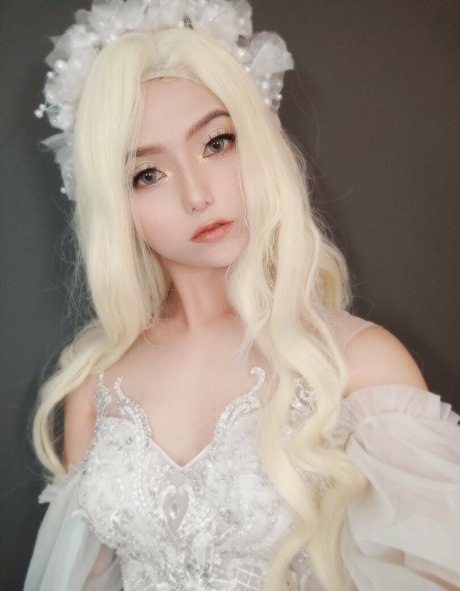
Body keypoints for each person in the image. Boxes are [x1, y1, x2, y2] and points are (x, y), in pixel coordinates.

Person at [24, 1, 460, 590]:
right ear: (115, 206)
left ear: (257, 142)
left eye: (217, 143)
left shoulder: (362, 366)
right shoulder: (96, 380)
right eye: (147, 174)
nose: (197, 194)